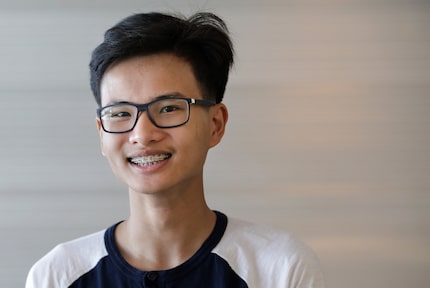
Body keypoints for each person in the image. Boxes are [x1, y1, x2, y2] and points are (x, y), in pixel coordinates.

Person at [26, 12, 325, 287]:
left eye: (168, 108)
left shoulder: (280, 269)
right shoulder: (57, 275)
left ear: (215, 124)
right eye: (120, 114)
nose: (142, 135)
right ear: (102, 134)